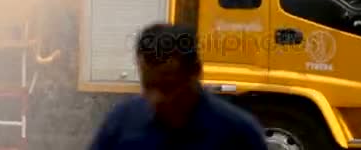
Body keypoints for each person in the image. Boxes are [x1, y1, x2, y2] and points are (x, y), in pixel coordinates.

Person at [89, 23, 268, 150]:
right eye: (148, 86)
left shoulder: (238, 134)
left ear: (195, 72)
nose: (155, 98)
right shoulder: (121, 122)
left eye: (167, 87)